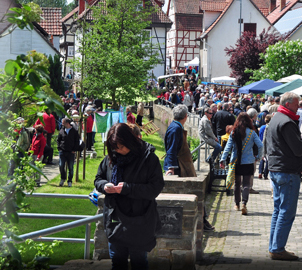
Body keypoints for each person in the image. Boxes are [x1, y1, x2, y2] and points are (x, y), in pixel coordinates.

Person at [94, 123, 164, 270]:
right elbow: (98, 178)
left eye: (121, 147)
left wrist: (127, 188)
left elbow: (155, 189)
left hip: (140, 221)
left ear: (129, 141)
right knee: (117, 262)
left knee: (139, 263)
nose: (118, 151)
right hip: (115, 220)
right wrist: (104, 186)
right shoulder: (111, 158)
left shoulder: (148, 159)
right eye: (115, 148)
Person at [266, 92, 302, 261]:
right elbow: (298, 149)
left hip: (277, 169)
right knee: (286, 211)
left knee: (278, 210)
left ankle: (274, 246)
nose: (299, 106)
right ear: (288, 104)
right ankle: (277, 248)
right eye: (297, 104)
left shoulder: (276, 118)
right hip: (286, 170)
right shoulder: (286, 122)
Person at [164, 105, 215, 231]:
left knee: (194, 193)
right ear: (186, 116)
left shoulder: (175, 127)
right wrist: (171, 168)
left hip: (184, 165)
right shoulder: (175, 129)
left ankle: (202, 221)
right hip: (181, 167)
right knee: (193, 193)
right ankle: (201, 222)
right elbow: (171, 150)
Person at [220, 113, 263, 215]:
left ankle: (237, 204)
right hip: (248, 161)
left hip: (236, 161)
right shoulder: (252, 133)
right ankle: (244, 203)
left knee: (237, 184)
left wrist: (223, 159)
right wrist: (258, 157)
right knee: (246, 184)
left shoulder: (234, 132)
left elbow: (227, 147)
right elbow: (260, 145)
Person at [57, 118, 80, 187]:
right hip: (62, 151)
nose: (62, 124)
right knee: (61, 165)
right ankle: (63, 178)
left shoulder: (74, 131)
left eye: (63, 123)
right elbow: (58, 140)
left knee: (71, 167)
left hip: (71, 152)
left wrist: (74, 150)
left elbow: (77, 141)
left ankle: (70, 181)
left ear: (67, 123)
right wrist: (59, 148)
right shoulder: (61, 131)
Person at [258, 114, 272, 179]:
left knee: (262, 159)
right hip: (267, 144)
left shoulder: (262, 127)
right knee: (267, 160)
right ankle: (265, 175)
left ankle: (260, 172)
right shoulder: (269, 127)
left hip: (261, 143)